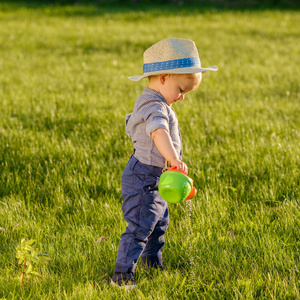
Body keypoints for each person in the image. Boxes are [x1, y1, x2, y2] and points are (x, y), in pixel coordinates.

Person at [111, 38, 218, 289]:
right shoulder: (151, 104)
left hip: (157, 175)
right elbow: (158, 131)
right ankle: (122, 274)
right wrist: (172, 160)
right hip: (143, 176)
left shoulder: (161, 101)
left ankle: (151, 262)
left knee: (159, 222)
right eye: (181, 90)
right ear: (164, 78)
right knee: (140, 224)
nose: (182, 98)